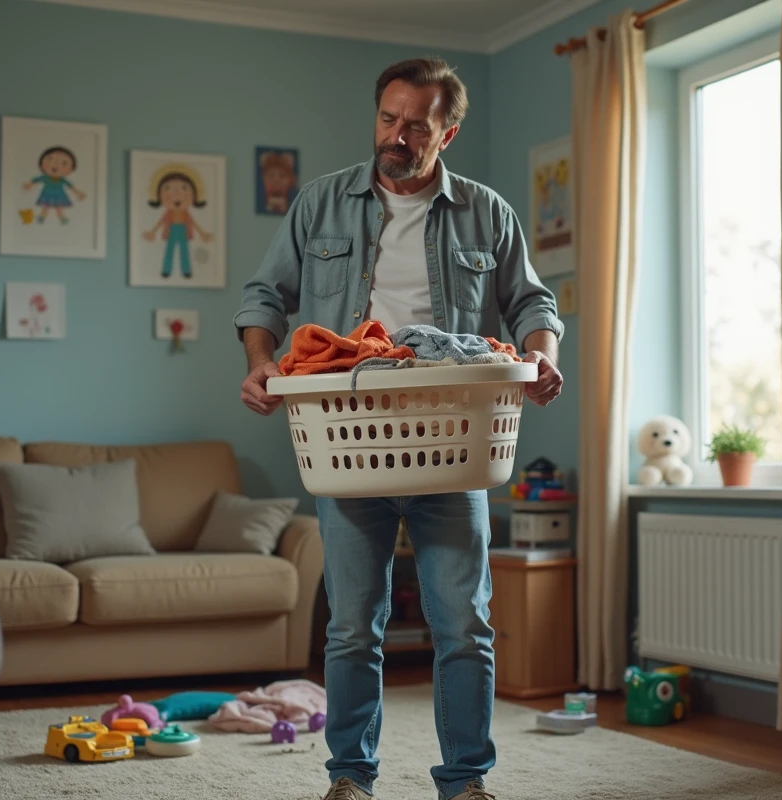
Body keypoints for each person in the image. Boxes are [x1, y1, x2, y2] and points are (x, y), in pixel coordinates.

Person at [233, 56, 564, 800]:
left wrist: (541, 356)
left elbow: (533, 305)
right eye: (389, 118)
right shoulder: (320, 204)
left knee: (465, 626)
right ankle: (350, 778)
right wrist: (260, 363)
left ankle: (466, 782)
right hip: (349, 440)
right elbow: (264, 295)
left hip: (454, 439)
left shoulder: (486, 211)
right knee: (353, 626)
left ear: (449, 132)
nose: (397, 135)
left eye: (417, 125)